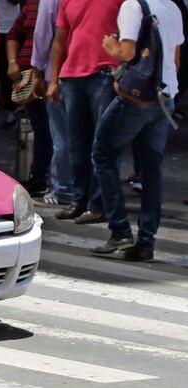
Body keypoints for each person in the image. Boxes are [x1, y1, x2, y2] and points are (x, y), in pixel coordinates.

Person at [90, 0, 183, 262]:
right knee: (151, 171)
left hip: (135, 100)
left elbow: (128, 52)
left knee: (102, 154)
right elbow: (174, 61)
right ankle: (146, 243)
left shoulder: (133, 6)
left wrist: (111, 47)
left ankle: (120, 230)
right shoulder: (173, 8)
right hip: (165, 99)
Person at [45, 0, 122, 224]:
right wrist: (53, 80)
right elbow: (59, 40)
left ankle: (99, 205)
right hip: (72, 76)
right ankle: (80, 201)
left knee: (103, 144)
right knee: (78, 146)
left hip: (106, 74)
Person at [7, 0, 53, 197]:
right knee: (41, 128)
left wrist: (41, 74)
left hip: (48, 75)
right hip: (28, 77)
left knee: (53, 131)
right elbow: (13, 35)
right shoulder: (32, 4)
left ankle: (45, 178)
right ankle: (39, 176)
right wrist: (12, 62)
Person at [31, 0, 75, 206]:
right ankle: (85, 189)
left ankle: (64, 189)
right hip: (88, 73)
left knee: (61, 134)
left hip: (57, 72)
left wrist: (37, 70)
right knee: (85, 135)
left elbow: (43, 34)